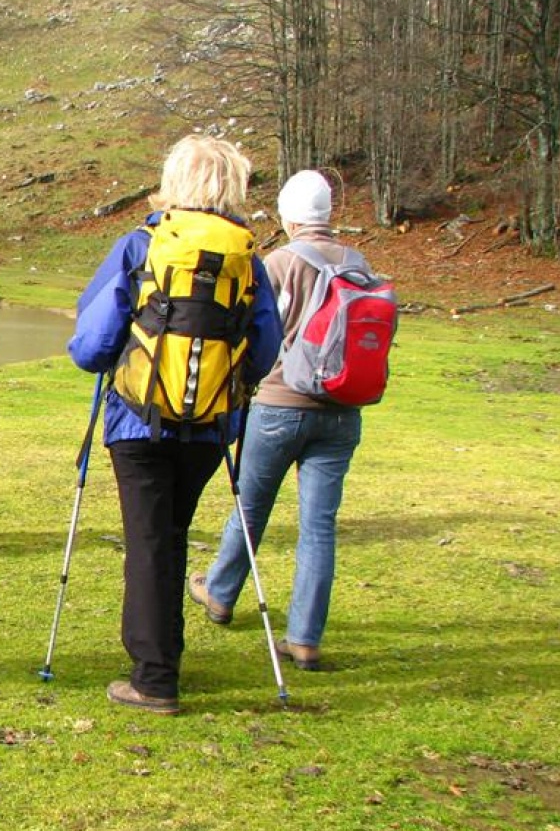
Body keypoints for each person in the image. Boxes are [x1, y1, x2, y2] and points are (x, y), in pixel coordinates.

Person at [68, 136, 280, 715]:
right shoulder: (247, 259)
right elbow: (264, 348)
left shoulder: (141, 246)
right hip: (211, 427)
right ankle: (163, 657)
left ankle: (155, 677)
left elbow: (91, 346)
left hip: (137, 423)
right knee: (170, 535)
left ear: (174, 181)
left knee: (148, 541)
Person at [189, 170, 367, 672]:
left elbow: (261, 333)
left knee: (251, 505)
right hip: (341, 412)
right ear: (327, 213)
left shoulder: (281, 262)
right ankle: (305, 638)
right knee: (319, 526)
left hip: (280, 404)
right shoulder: (357, 263)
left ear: (290, 217)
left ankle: (220, 594)